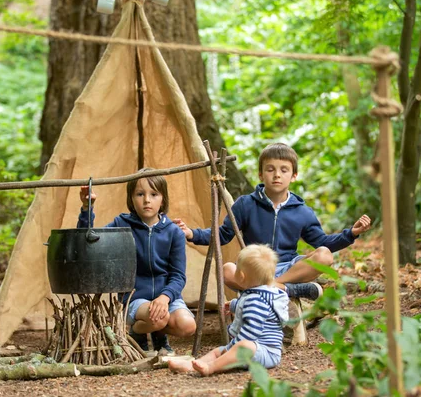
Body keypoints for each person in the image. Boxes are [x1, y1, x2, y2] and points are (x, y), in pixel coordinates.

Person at [174, 143, 371, 300]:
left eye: (284, 170)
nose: (277, 175)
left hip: (288, 267)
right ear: (261, 174)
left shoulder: (302, 211)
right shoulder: (245, 204)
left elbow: (323, 243)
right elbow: (223, 235)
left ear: (293, 176)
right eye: (270, 169)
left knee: (324, 256)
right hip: (255, 267)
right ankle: (286, 289)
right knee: (227, 270)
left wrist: (351, 233)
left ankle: (274, 285)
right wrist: (192, 234)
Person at [78, 169, 196, 356]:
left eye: (153, 194)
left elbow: (178, 276)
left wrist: (165, 297)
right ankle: (138, 332)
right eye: (140, 194)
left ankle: (158, 333)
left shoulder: (173, 232)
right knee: (159, 317)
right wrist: (87, 208)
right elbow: (89, 240)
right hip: (134, 297)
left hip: (166, 298)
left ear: (163, 199)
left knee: (188, 325)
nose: (147, 200)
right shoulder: (121, 224)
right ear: (131, 199)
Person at [169, 244, 288, 376]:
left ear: (241, 276)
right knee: (217, 351)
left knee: (241, 347)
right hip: (254, 349)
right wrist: (233, 305)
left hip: (265, 353)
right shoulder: (259, 295)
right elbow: (247, 307)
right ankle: (192, 365)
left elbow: (250, 333)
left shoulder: (256, 301)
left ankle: (210, 367)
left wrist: (231, 348)